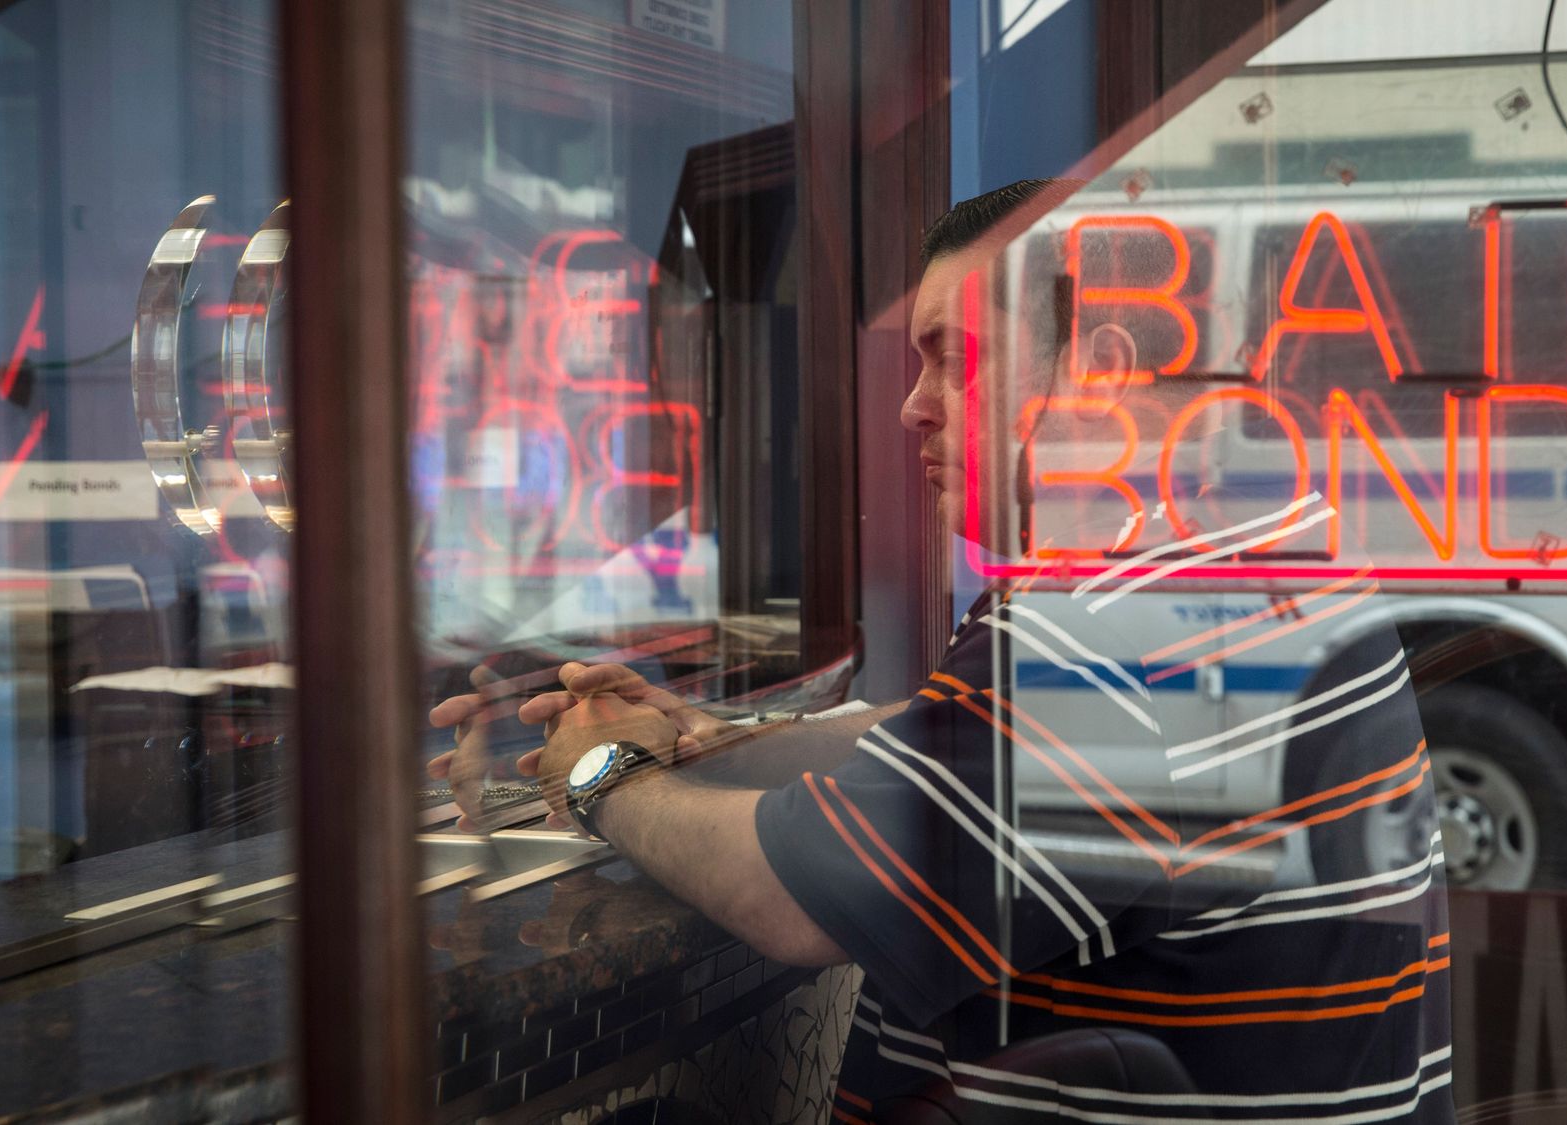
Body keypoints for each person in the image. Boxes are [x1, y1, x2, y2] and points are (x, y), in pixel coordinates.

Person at [430, 179, 1454, 1122]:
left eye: (953, 361)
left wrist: (602, 772)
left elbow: (786, 903)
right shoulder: (1253, 558)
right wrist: (704, 738)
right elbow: (938, 744)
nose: (913, 405)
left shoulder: (1113, 623)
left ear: (1099, 369)